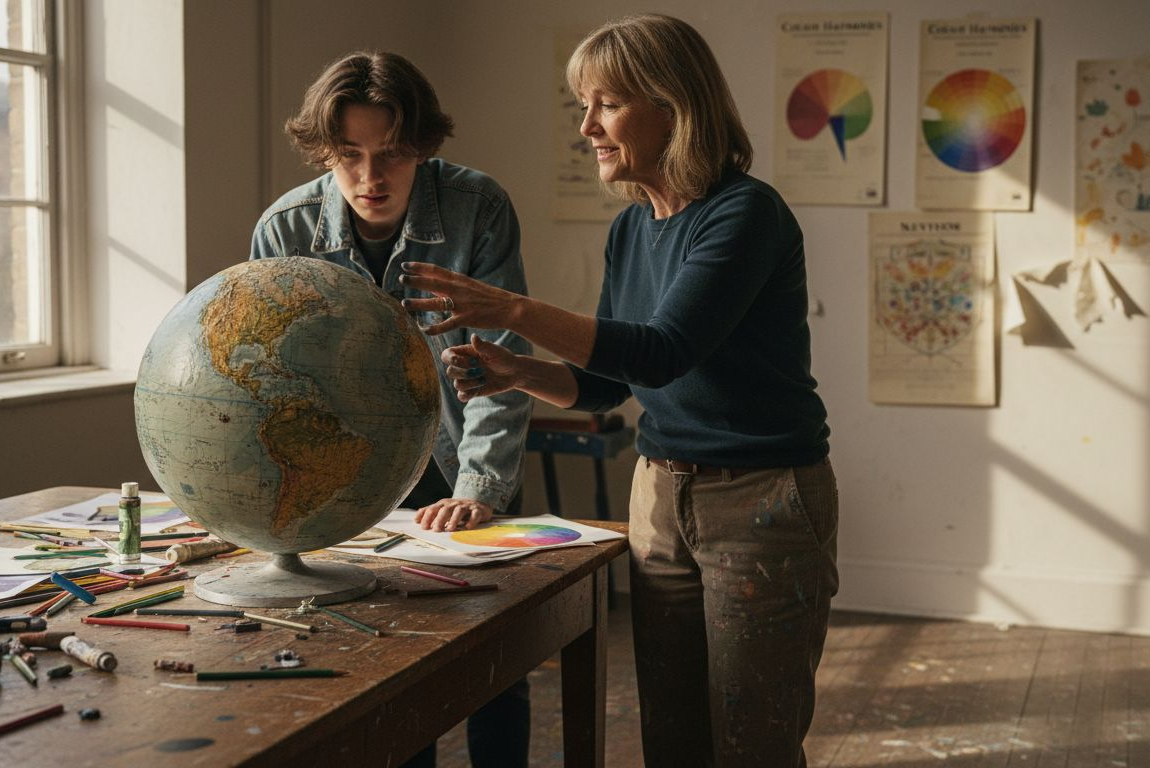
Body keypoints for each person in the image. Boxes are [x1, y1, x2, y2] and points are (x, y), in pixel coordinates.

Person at [398, 14, 838, 767]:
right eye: (584, 105)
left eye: (605, 104)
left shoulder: (744, 214)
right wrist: (521, 370)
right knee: (670, 738)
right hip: (659, 496)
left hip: (761, 502)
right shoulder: (632, 231)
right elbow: (609, 383)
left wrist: (510, 310)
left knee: (752, 746)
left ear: (672, 106)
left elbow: (664, 352)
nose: (587, 127)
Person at [249, 51, 532, 768]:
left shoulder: (480, 208)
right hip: (352, 472)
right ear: (323, 150)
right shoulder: (283, 231)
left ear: (425, 147)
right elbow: (272, 381)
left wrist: (479, 491)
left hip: (466, 455)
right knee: (392, 664)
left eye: (393, 156)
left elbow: (503, 361)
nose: (371, 179)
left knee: (497, 665)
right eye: (349, 156)